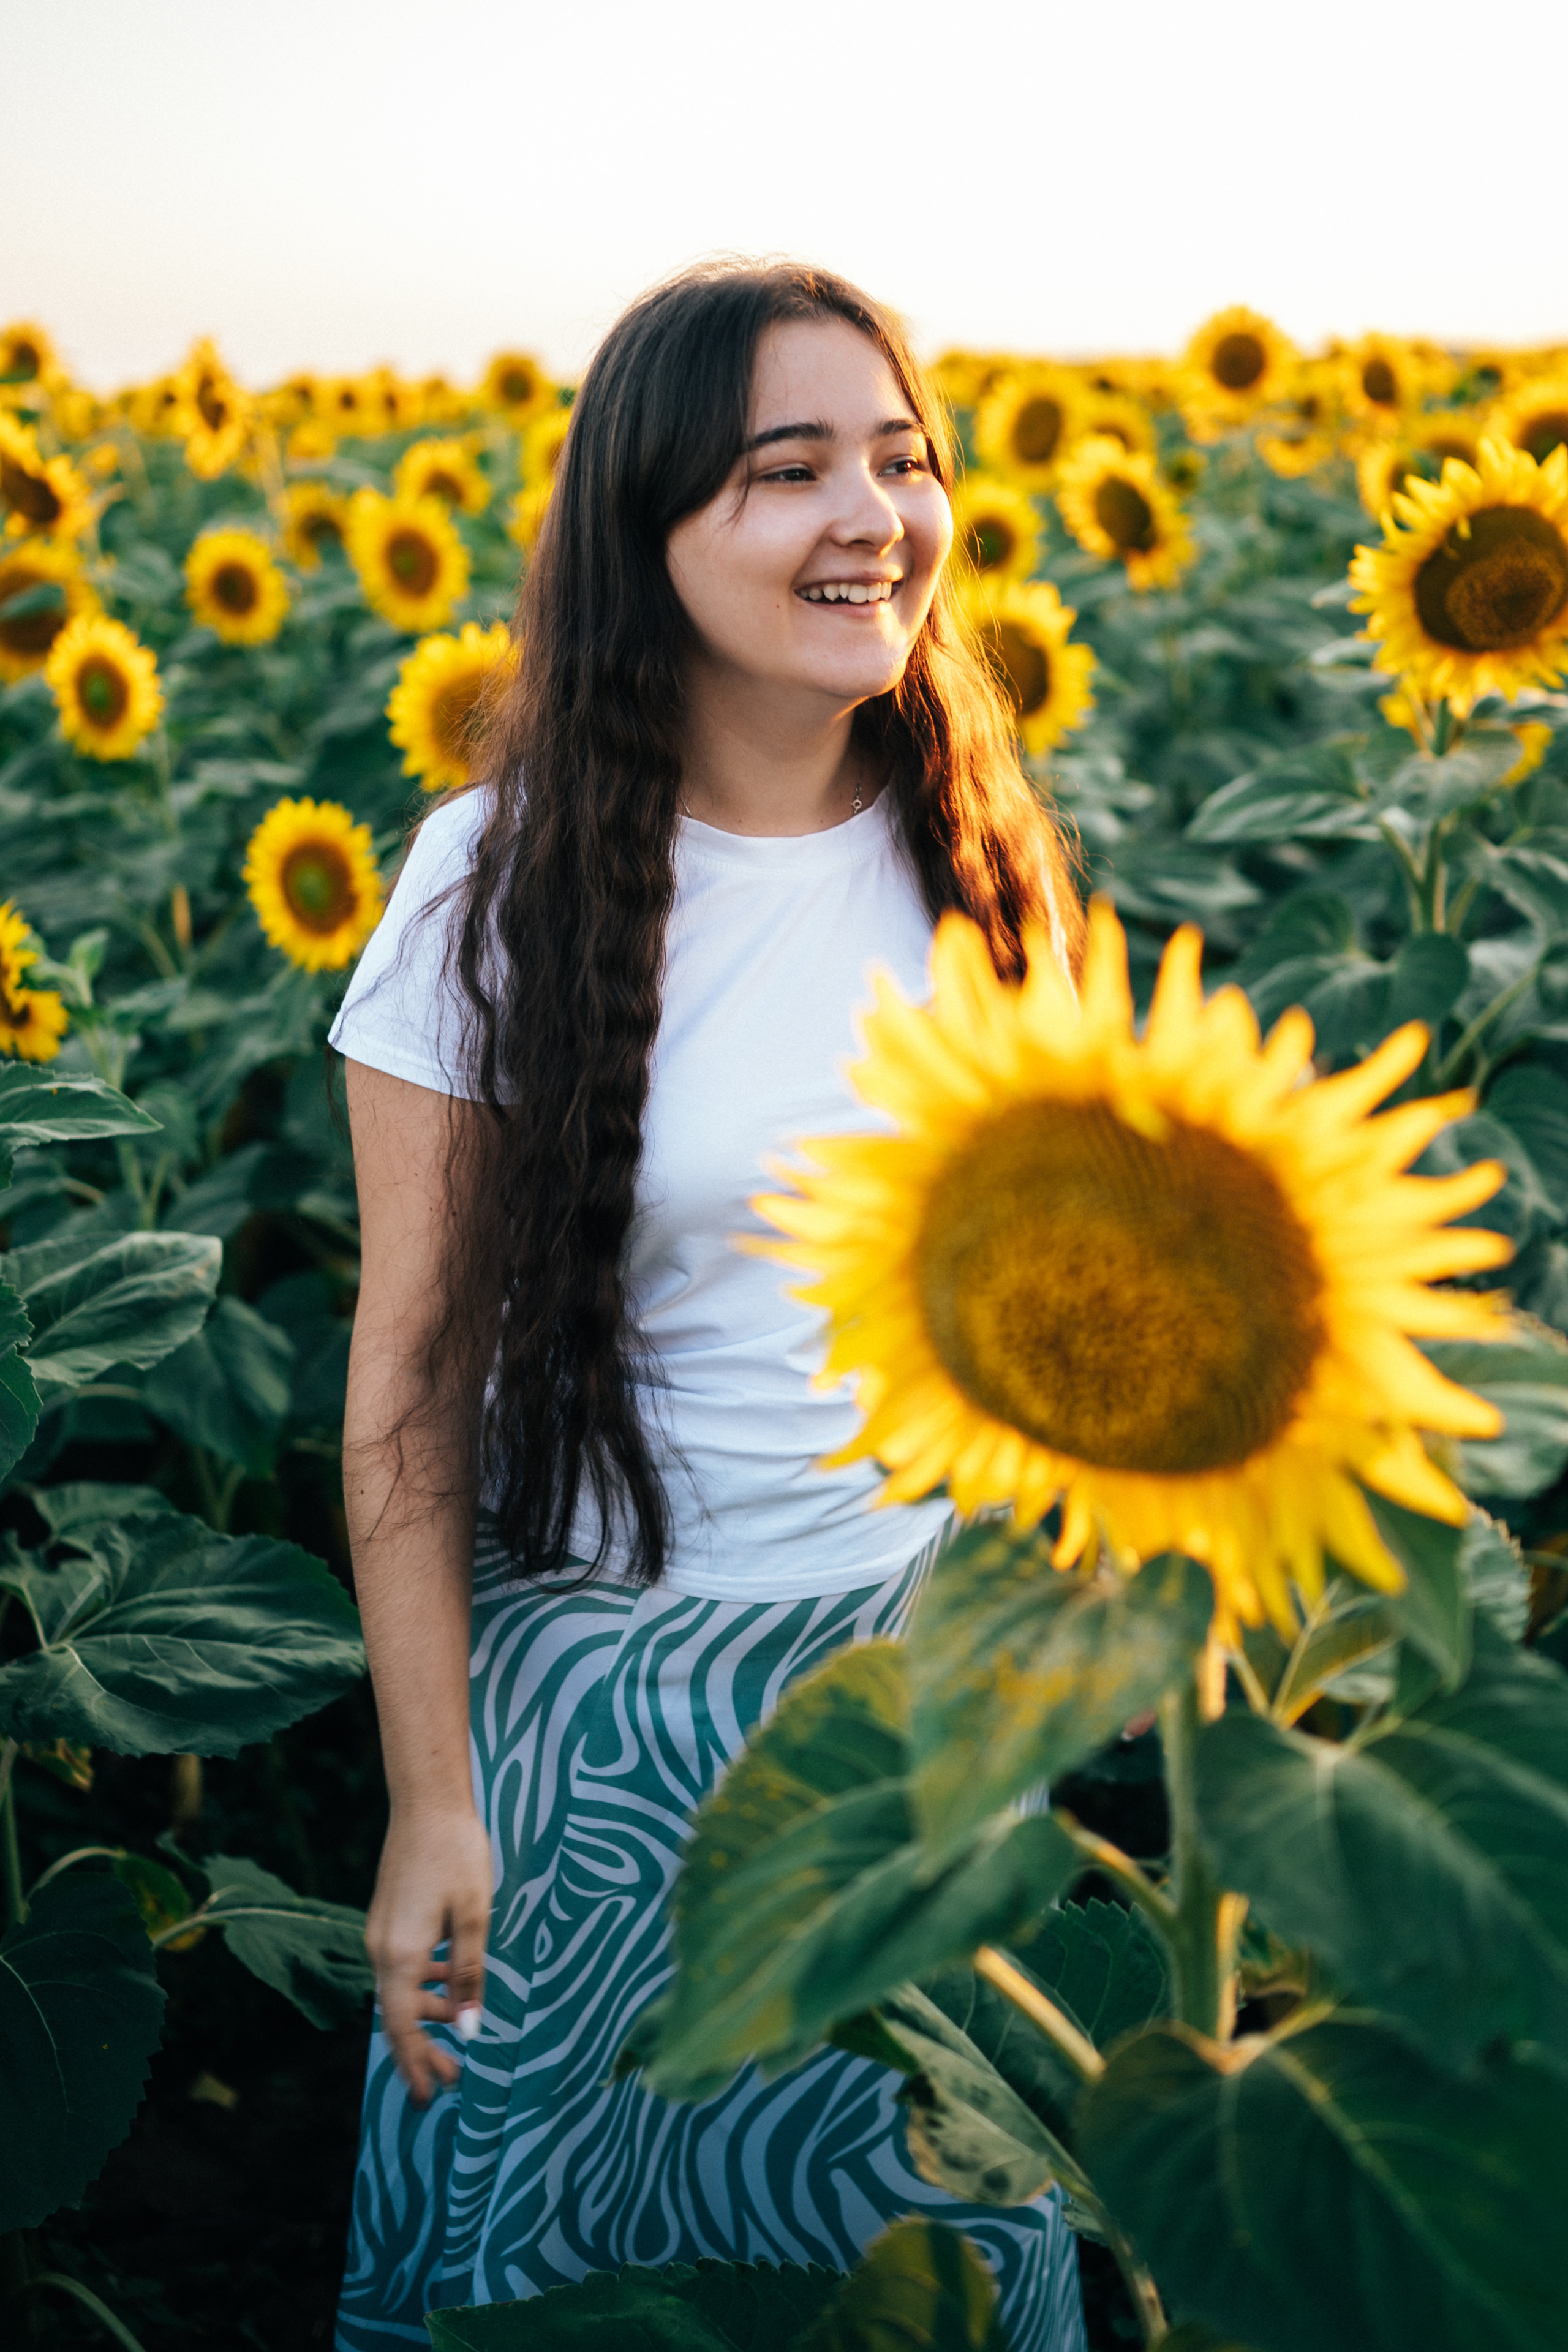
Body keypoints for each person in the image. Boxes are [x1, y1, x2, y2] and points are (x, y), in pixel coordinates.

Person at [330, 259, 1088, 2351]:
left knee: (911, 2270)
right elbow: (401, 1390)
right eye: (788, 470)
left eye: (903, 458)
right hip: (598, 1733)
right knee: (578, 2291)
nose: (876, 515)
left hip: (910, 1710)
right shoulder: (494, 887)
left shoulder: (983, 862)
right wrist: (431, 1801)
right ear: (648, 536)